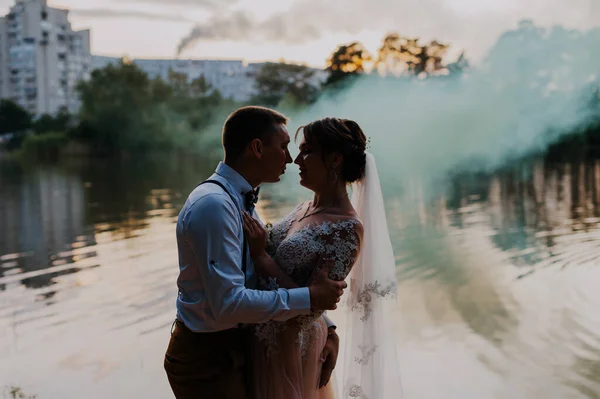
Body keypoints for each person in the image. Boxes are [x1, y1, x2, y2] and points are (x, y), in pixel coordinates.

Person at [163, 107, 347, 399]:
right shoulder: (214, 205)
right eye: (284, 147)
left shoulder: (240, 201)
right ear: (257, 148)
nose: (290, 158)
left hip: (238, 348)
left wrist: (327, 326)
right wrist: (311, 298)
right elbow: (229, 304)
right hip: (207, 358)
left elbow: (262, 277)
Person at [243, 117, 403, 398]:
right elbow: (307, 287)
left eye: (307, 151)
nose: (297, 160)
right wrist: (332, 329)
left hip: (290, 348)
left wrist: (260, 256)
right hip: (267, 336)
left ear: (334, 160)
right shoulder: (304, 207)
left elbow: (312, 306)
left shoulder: (346, 229)